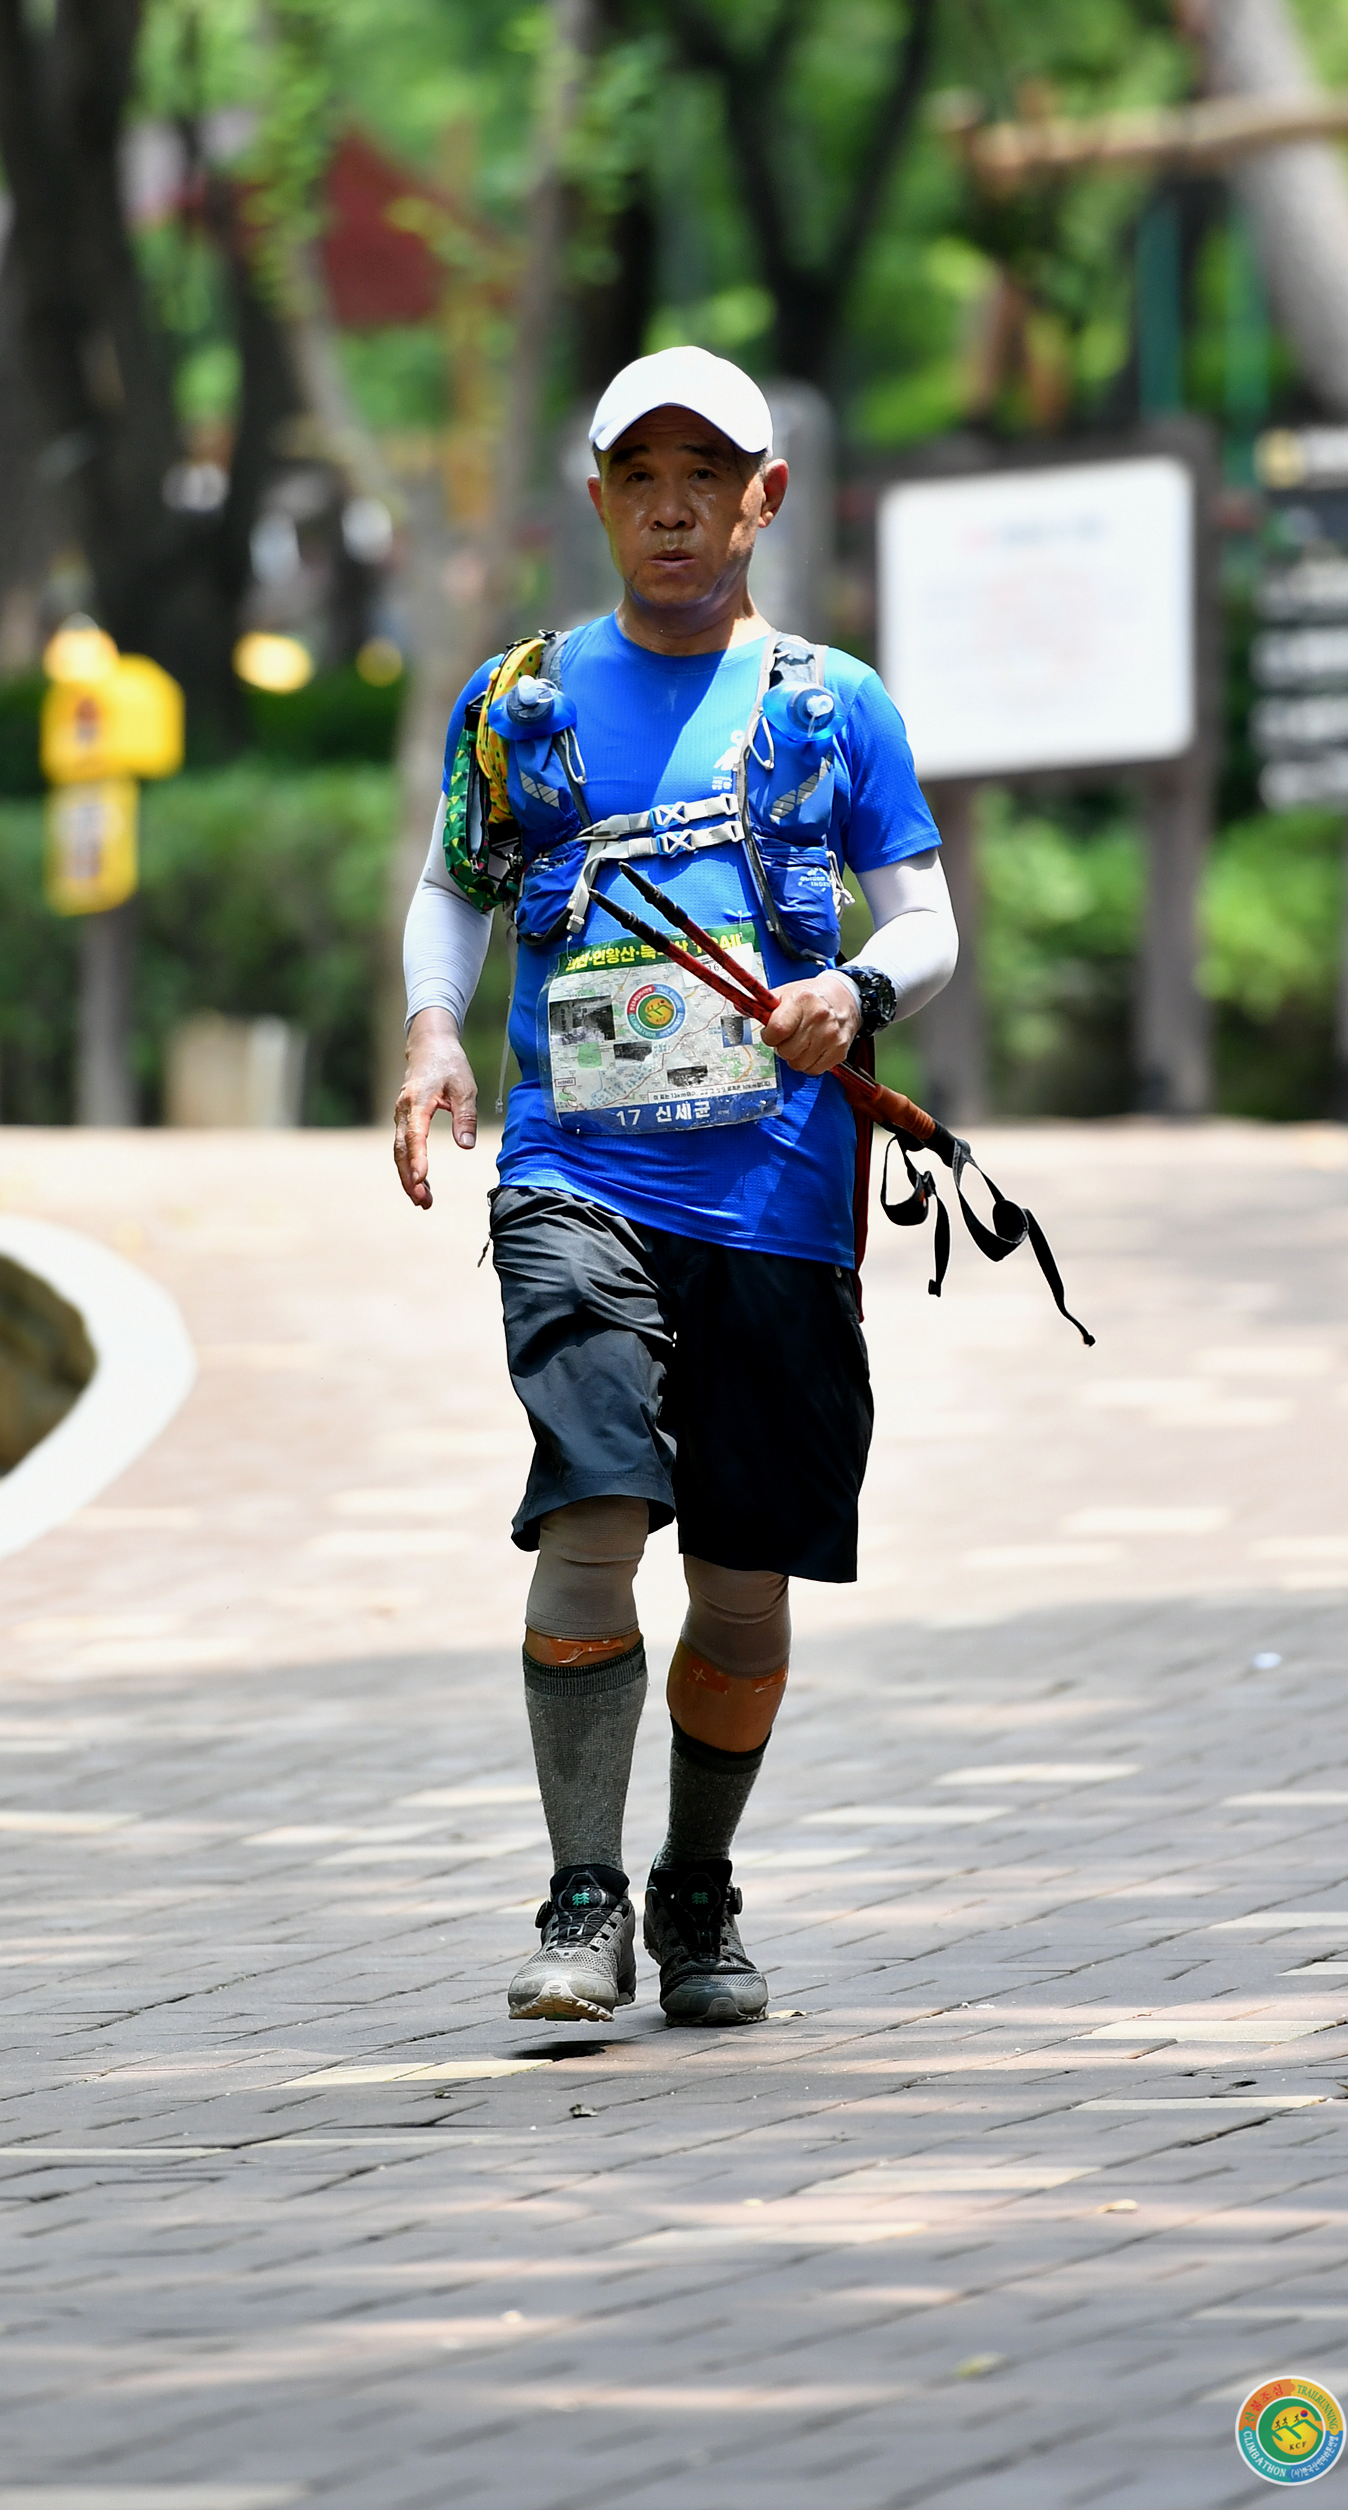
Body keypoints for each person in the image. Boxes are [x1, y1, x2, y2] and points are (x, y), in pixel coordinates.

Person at [392, 346, 957, 2028]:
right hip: (571, 1172)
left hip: (777, 1194)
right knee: (591, 1508)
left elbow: (925, 917)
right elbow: (455, 887)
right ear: (597, 500)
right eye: (638, 478)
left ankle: (694, 1890)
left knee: (740, 1578)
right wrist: (432, 1033)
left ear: (760, 500)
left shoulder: (829, 705)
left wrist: (854, 990)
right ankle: (580, 1898)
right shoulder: (519, 704)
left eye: (703, 477)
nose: (669, 508)